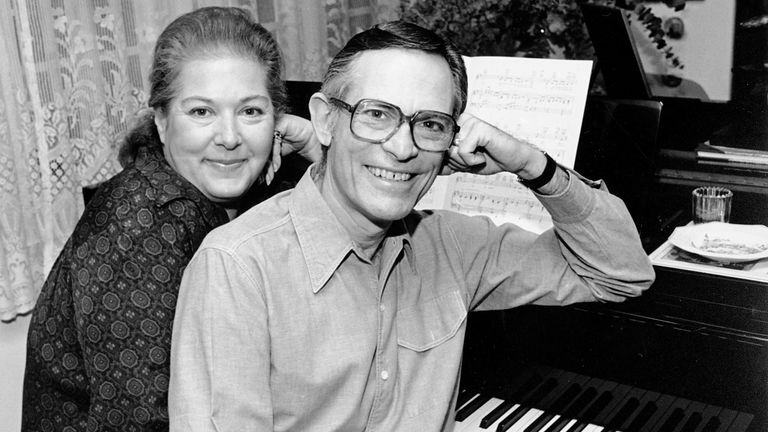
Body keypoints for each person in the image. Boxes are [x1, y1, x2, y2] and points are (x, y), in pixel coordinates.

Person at [169, 20, 655, 432]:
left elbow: (620, 274)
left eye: (430, 124)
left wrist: (533, 165)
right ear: (324, 121)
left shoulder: (453, 244)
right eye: (377, 115)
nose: (403, 148)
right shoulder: (236, 268)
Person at [21, 7, 320, 431]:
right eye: (201, 112)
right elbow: (143, 422)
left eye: (251, 111)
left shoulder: (233, 190)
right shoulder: (138, 228)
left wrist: (315, 150)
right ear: (161, 122)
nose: (230, 137)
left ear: (276, 120)